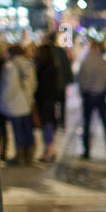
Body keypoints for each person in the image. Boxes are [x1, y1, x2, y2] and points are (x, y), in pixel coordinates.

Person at [0, 44, 38, 166]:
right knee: (27, 129)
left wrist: (2, 101)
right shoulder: (29, 64)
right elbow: (34, 83)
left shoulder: (11, 66)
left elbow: (10, 86)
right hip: (27, 101)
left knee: (18, 130)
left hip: (15, 103)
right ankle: (29, 155)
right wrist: (29, 96)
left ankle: (19, 156)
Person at [77, 39, 106, 161]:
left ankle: (87, 151)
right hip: (101, 96)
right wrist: (104, 93)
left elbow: (80, 80)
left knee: (87, 125)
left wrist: (83, 93)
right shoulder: (104, 62)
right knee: (105, 124)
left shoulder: (85, 62)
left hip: (89, 96)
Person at [34, 32, 64, 163]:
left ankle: (49, 151)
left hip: (44, 99)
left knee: (46, 125)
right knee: (49, 124)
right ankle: (49, 150)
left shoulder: (40, 67)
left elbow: (38, 85)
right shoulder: (53, 66)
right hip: (51, 99)